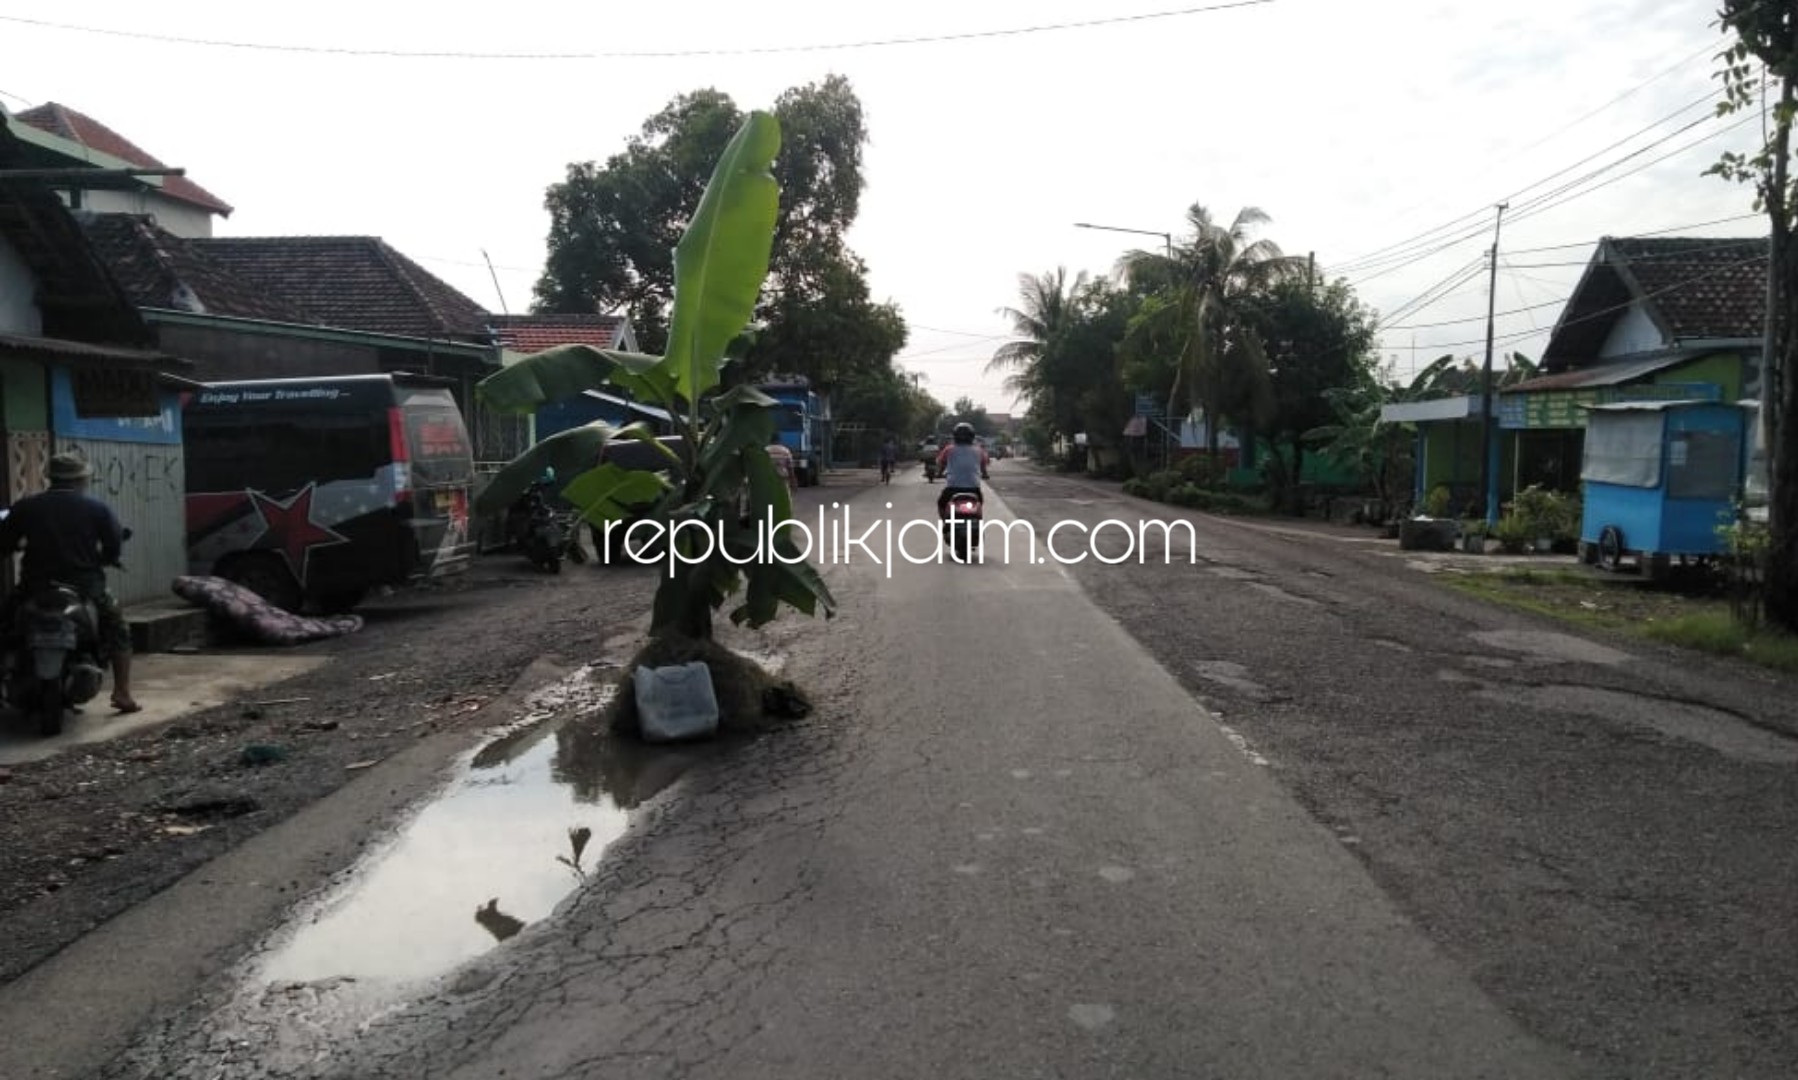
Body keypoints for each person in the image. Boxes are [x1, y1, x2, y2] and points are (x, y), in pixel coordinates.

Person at [0, 453, 137, 712]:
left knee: (6, 624)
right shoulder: (97, 508)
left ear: (51, 477)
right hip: (85, 587)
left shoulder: (26, 507)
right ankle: (122, 693)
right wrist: (107, 558)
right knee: (117, 629)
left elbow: (4, 543)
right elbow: (113, 544)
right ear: (81, 479)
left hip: (35, 586)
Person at [935, 422, 990, 518]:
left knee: (941, 503)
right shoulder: (979, 451)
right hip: (973, 489)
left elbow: (941, 463)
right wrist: (985, 474)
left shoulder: (949, 449)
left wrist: (939, 473)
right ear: (972, 436)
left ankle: (945, 522)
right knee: (979, 504)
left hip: (952, 489)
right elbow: (984, 466)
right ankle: (978, 523)